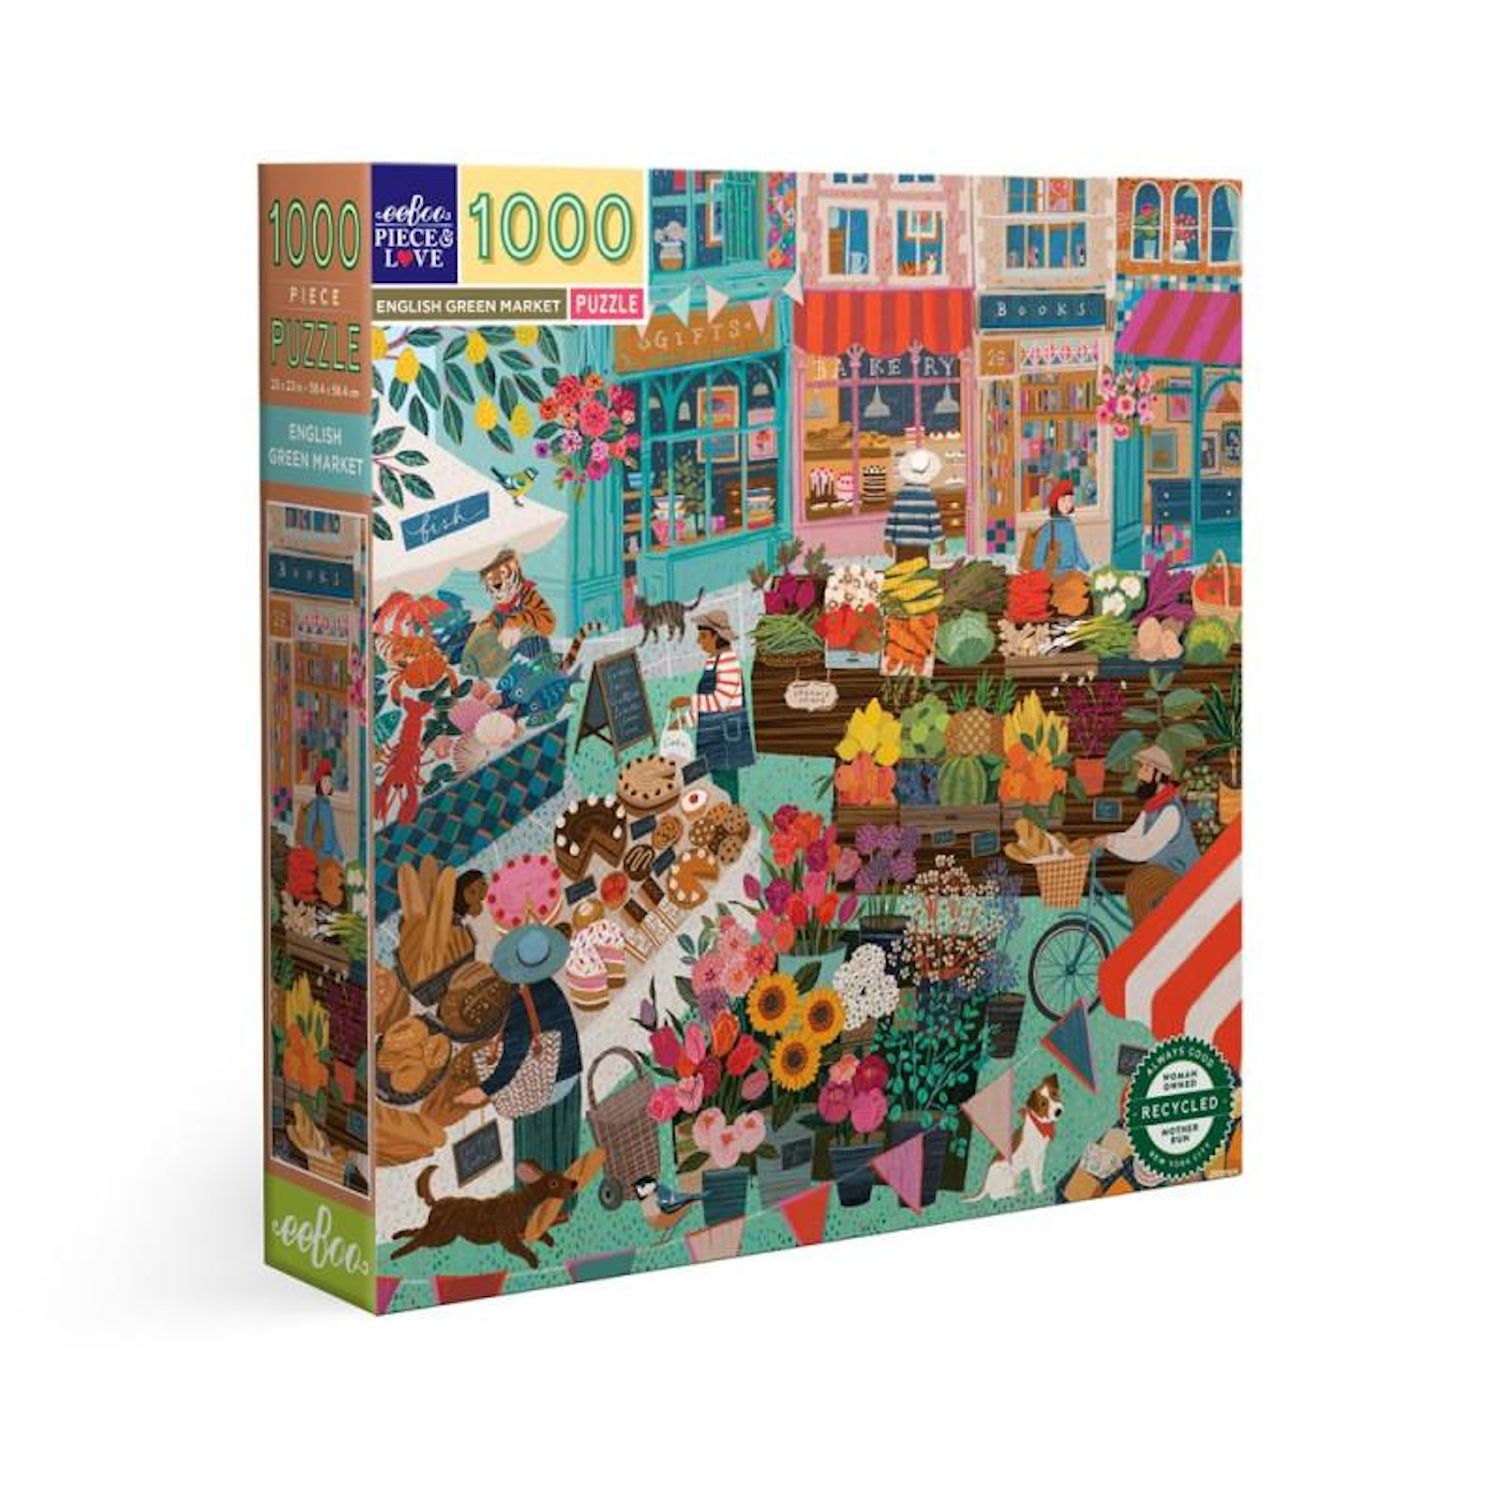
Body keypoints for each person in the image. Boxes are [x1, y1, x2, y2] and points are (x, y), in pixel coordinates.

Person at [457, 923, 583, 1210]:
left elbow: (513, 1056)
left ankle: (537, 1212)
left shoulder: (520, 1001)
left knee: (534, 1153)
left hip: (545, 1085)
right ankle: (566, 1203)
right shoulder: (549, 988)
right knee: (562, 1143)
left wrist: (485, 1089)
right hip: (569, 1072)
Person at [1095, 745, 1200, 925]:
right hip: (1164, 869)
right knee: (1138, 882)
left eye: (1146, 768)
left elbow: (1144, 847)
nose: (1140, 774)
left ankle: (1146, 937)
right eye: (1141, 767)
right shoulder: (1153, 806)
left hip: (1183, 873)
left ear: (1159, 775)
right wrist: (1106, 840)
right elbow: (1133, 835)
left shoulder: (1171, 810)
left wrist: (1109, 842)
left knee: (1140, 886)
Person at [682, 608, 755, 804]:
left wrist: (688, 701)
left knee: (726, 786)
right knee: (715, 783)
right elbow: (705, 700)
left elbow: (721, 700)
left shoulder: (729, 662)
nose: (699, 641)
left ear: (717, 637)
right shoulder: (713, 660)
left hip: (726, 737)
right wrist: (685, 720)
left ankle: (733, 818)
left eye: (703, 636)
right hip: (713, 735)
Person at [478, 547, 556, 649]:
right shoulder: (499, 609)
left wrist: (516, 622)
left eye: (503, 572)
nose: (496, 582)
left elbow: (549, 623)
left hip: (537, 654)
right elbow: (490, 626)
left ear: (516, 569)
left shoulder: (528, 595)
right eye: (490, 578)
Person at [884, 445, 945, 564]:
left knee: (902, 569)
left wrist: (888, 540)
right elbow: (935, 524)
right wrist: (940, 542)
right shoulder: (928, 498)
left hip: (902, 544)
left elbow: (892, 520)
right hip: (921, 544)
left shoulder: (900, 496)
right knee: (922, 571)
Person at [1027, 479, 1092, 573]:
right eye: (1063, 500)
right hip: (1053, 572)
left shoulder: (1070, 525)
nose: (1067, 504)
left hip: (1071, 571)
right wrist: (1040, 571)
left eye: (1070, 500)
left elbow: (1076, 548)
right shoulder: (1049, 527)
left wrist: (1086, 566)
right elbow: (1040, 552)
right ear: (1055, 502)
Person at [300, 759, 344, 863]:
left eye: (330, 781)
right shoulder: (315, 807)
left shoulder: (328, 806)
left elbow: (332, 833)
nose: (328, 785)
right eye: (324, 782)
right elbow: (308, 836)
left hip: (331, 855)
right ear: (318, 783)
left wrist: (339, 852)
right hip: (320, 856)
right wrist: (312, 857)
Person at [454, 869, 500, 964]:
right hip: (485, 959)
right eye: (482, 884)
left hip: (500, 947)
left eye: (484, 883)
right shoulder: (465, 921)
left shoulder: (488, 905)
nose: (486, 887)